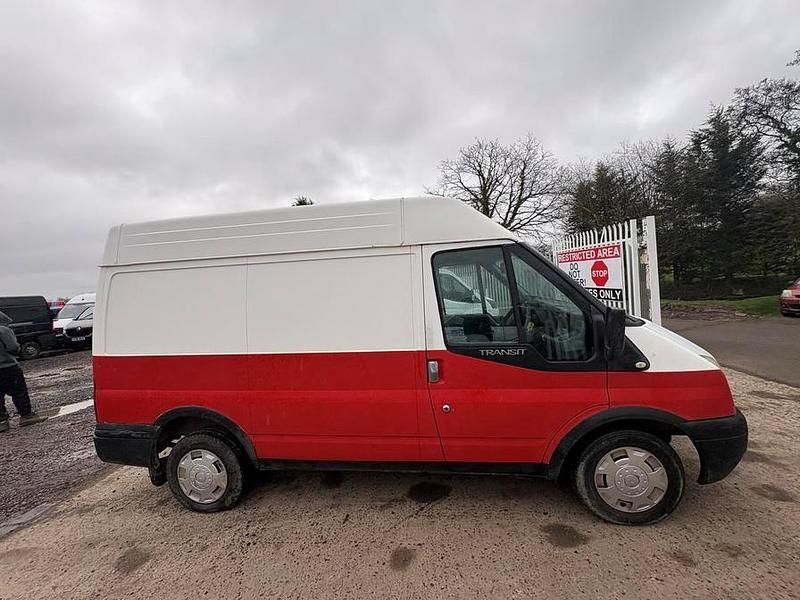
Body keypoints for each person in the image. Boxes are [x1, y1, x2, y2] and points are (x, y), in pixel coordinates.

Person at [0, 311, 47, 432]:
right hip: (8, 366)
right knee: (19, 392)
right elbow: (13, 347)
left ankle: (2, 422)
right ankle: (26, 416)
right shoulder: (3, 330)